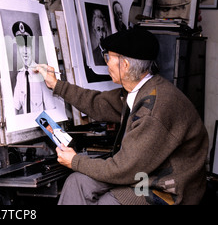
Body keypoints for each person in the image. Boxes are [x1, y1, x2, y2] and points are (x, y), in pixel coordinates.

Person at [36, 28, 209, 205]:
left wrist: (75, 161)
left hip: (166, 189)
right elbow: (98, 103)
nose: (106, 63)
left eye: (108, 58)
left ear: (124, 65)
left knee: (108, 202)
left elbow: (123, 169)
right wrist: (56, 85)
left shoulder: (155, 107)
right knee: (77, 183)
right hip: (144, 173)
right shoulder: (139, 90)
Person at [12, 21, 55, 115]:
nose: (25, 52)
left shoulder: (41, 74)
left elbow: (52, 109)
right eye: (21, 47)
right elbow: (15, 107)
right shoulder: (20, 76)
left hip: (40, 126)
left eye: (27, 46)